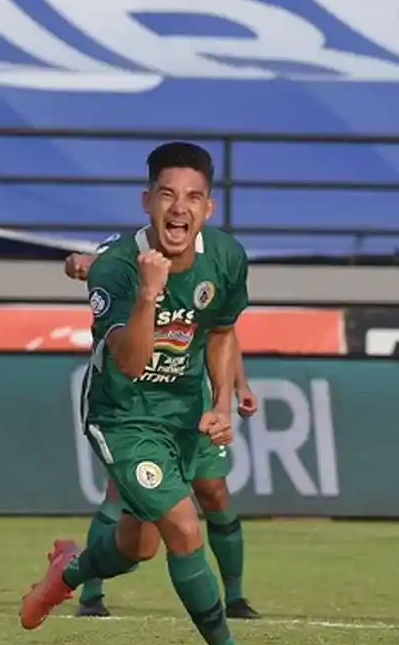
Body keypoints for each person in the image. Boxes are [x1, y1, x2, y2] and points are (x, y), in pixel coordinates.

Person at [20, 141, 268, 645]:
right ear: (147, 201)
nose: (179, 208)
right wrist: (150, 295)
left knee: (139, 546)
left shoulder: (226, 258)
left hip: (184, 413)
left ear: (208, 208)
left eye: (193, 198)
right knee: (185, 528)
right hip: (123, 415)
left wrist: (222, 402)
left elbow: (221, 333)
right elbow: (131, 362)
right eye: (167, 195)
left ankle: (69, 571)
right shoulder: (115, 267)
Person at [63, 245, 262, 620]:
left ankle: (235, 598)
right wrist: (81, 263)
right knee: (123, 501)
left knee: (213, 491)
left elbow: (222, 331)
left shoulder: (212, 260)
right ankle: (90, 593)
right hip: (133, 401)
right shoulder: (131, 250)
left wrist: (240, 386)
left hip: (189, 400)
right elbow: (90, 261)